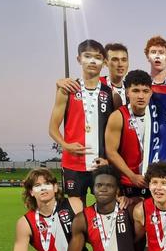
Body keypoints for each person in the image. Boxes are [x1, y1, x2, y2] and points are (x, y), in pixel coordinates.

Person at [49, 39, 122, 209]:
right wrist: (65, 145)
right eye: (87, 56)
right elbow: (52, 128)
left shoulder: (111, 94)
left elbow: (119, 132)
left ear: (103, 63)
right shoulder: (67, 89)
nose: (92, 61)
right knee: (76, 212)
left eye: (97, 57)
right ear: (78, 59)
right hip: (74, 164)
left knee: (106, 210)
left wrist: (110, 159)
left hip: (101, 163)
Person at [104, 70, 152, 200]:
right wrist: (132, 176)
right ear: (127, 92)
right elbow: (111, 152)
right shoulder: (118, 116)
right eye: (136, 91)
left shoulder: (156, 115)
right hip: (128, 181)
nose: (141, 96)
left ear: (151, 93)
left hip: (153, 182)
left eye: (145, 91)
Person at [55, 43, 130, 104]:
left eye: (124, 60)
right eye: (115, 59)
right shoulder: (94, 83)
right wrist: (59, 84)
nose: (120, 64)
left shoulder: (131, 88)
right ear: (105, 62)